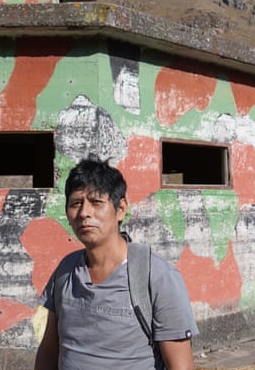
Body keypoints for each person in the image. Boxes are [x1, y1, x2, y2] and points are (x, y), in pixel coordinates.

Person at [34, 158, 199, 370]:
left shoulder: (155, 276)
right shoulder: (66, 271)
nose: (84, 213)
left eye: (96, 202)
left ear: (120, 209)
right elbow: (49, 350)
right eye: (76, 203)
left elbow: (181, 366)